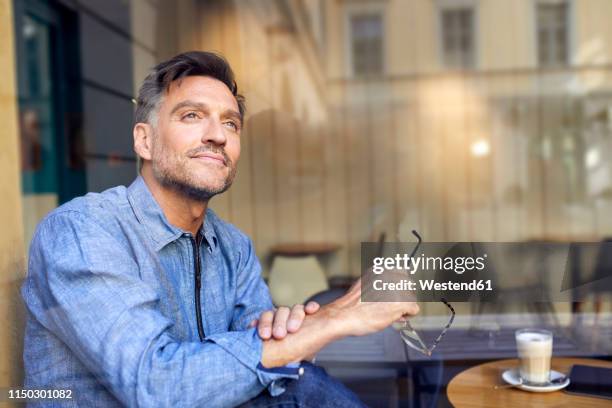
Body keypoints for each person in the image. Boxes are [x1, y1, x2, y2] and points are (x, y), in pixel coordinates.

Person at [21, 51, 419, 407]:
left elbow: (270, 373)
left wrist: (288, 339)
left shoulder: (233, 247)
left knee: (302, 385)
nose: (217, 135)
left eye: (231, 123)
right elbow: (156, 387)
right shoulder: (83, 231)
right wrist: (331, 320)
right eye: (192, 116)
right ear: (144, 140)